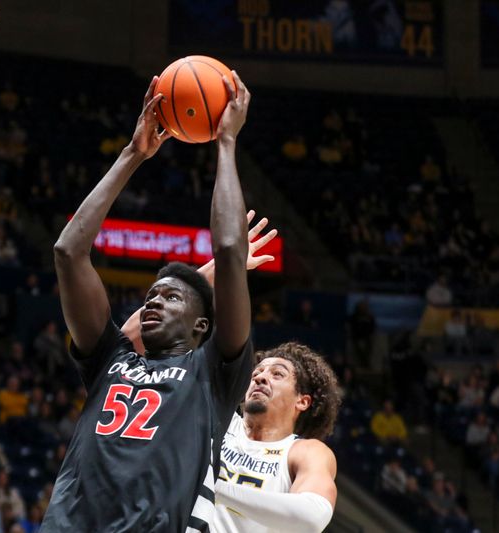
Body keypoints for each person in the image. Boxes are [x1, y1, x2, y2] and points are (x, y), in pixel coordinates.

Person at [41, 73, 254, 532]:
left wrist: (226, 142)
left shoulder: (213, 373)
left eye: (171, 297)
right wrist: (132, 155)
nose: (154, 302)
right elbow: (68, 252)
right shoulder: (109, 358)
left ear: (202, 327)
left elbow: (231, 252)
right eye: (151, 296)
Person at [211, 344, 340, 533]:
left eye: (277, 374)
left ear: (302, 401)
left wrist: (212, 486)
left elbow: (311, 517)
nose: (260, 377)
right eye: (256, 373)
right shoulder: (219, 420)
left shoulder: (305, 451)